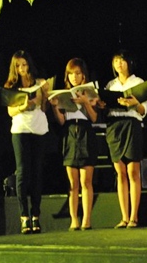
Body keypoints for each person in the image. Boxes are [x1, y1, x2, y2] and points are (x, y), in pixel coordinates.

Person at [4, 50, 49, 234]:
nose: (22, 68)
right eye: (18, 65)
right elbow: (10, 112)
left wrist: (43, 97)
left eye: (24, 64)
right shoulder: (11, 85)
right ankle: (24, 218)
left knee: (37, 171)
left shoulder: (38, 82)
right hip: (21, 129)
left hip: (38, 128)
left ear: (29, 64)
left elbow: (44, 109)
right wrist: (25, 105)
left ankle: (36, 216)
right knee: (23, 172)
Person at [50, 58, 98, 231]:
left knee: (86, 181)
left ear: (83, 75)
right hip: (69, 134)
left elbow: (94, 118)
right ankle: (73, 220)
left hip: (86, 133)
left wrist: (86, 102)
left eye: (78, 73)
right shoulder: (64, 93)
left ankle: (86, 219)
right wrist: (55, 107)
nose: (74, 77)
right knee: (73, 183)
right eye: (71, 74)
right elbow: (61, 121)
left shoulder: (90, 93)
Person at [103, 49, 147, 228]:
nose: (119, 64)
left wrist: (134, 103)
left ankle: (134, 217)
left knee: (133, 172)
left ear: (129, 62)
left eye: (121, 60)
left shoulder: (138, 82)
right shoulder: (110, 85)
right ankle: (124, 216)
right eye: (115, 61)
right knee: (120, 172)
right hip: (114, 126)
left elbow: (144, 111)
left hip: (132, 125)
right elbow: (105, 109)